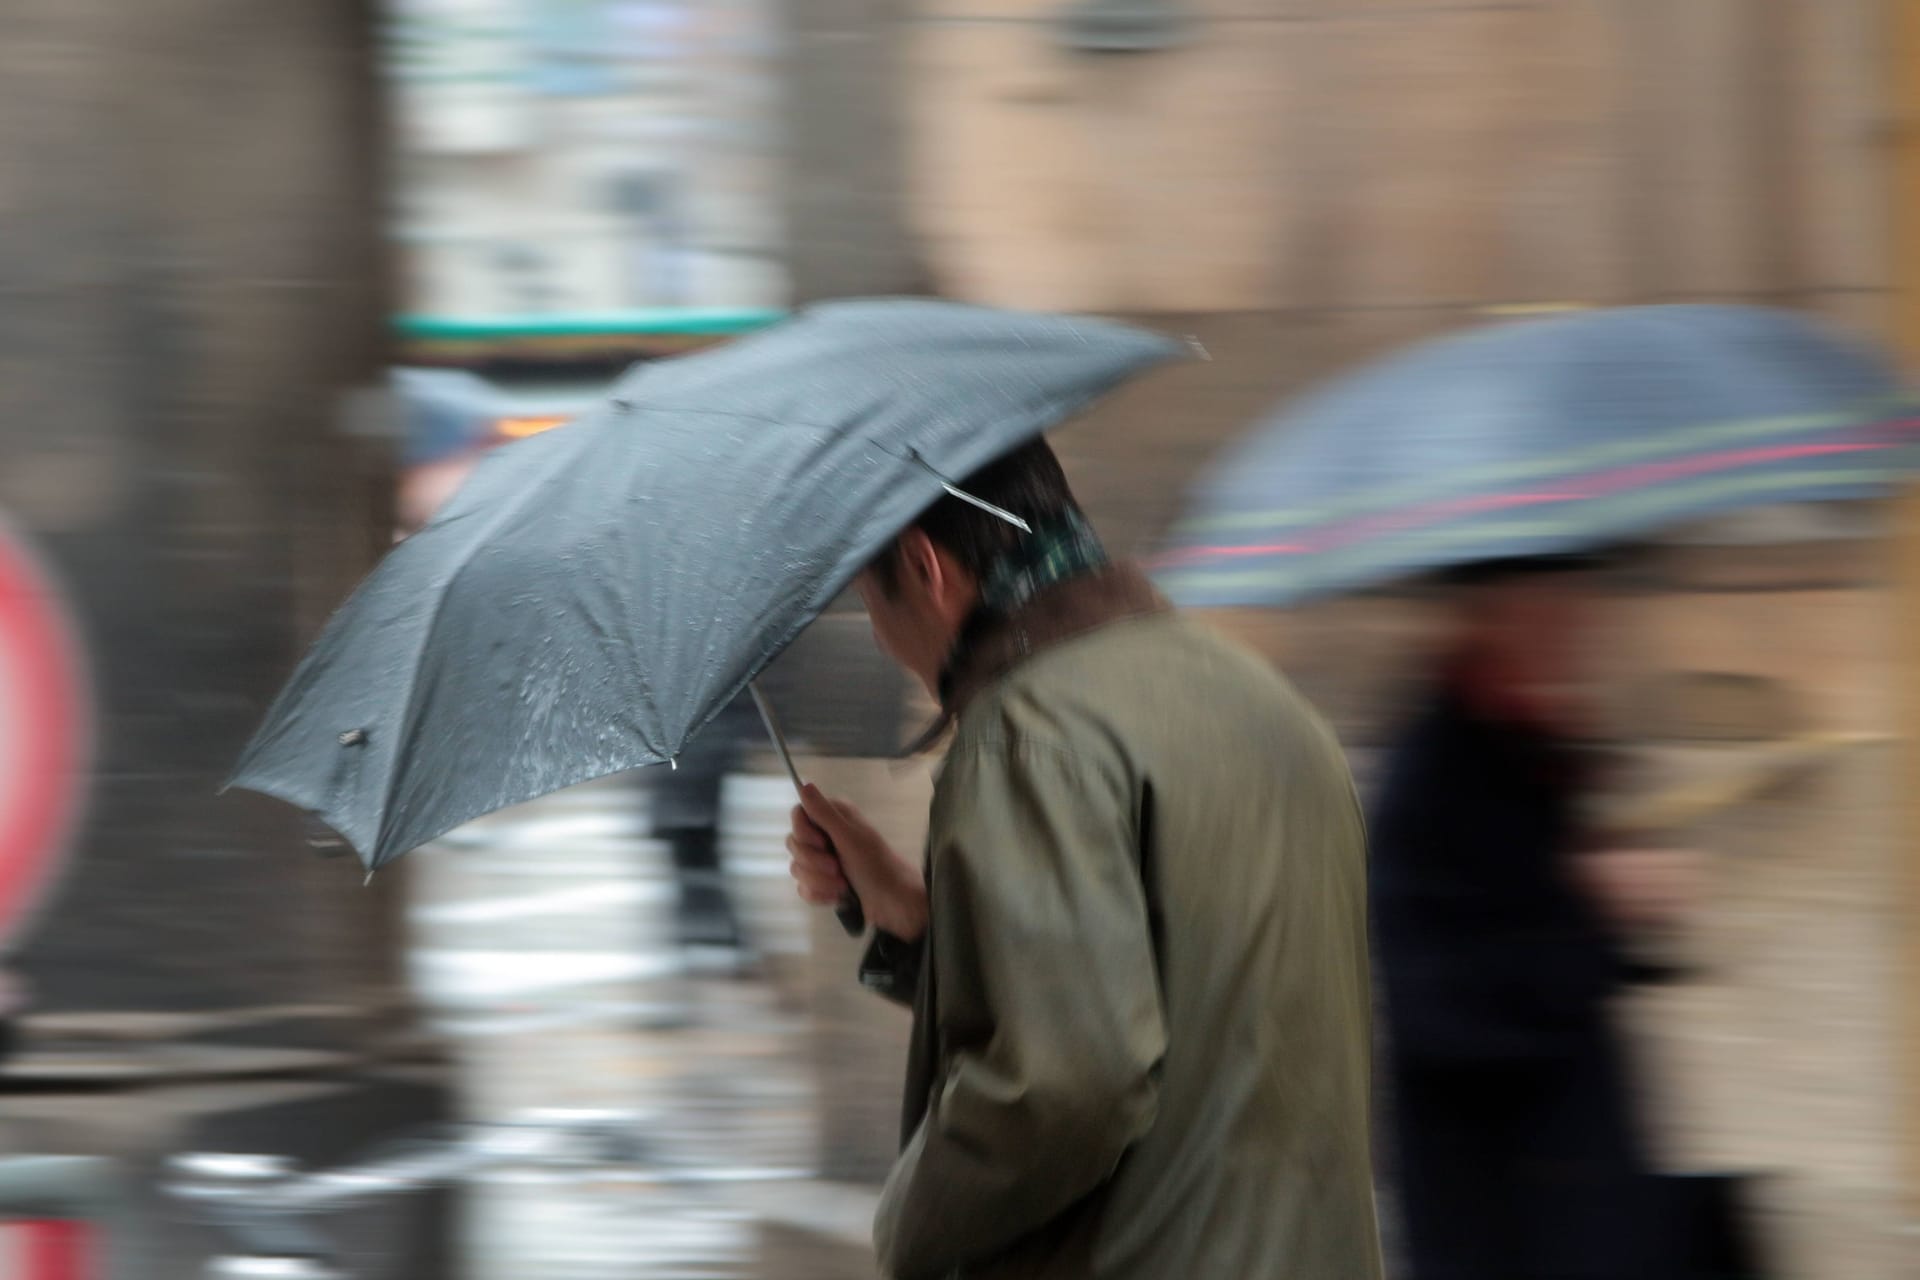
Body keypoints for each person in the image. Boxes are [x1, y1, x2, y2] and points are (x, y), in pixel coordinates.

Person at [785, 440, 1382, 1280]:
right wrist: (919, 922)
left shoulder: (1024, 738)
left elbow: (1067, 1087)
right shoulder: (1261, 698)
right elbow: (1193, 1008)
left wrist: (908, 1219)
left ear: (924, 567)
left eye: (868, 600)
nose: (882, 641)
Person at [1368, 555, 1696, 1280]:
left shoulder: (1531, 750)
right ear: (1489, 617)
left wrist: (1613, 896)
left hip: (1575, 1205)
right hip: (1502, 1218)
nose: (1576, 626)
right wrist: (1592, 907)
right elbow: (1441, 1016)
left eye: (1577, 605)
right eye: (1550, 608)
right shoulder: (1430, 776)